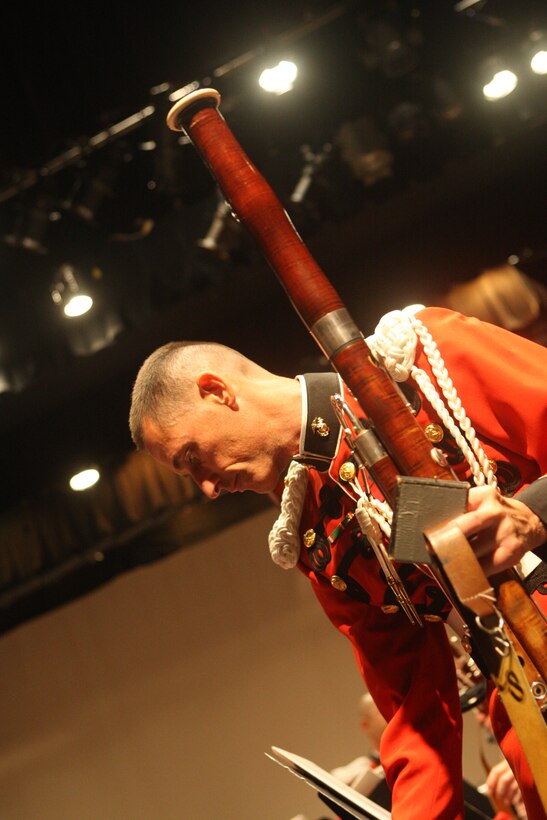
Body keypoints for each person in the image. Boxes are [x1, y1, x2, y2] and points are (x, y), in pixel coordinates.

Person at [129, 305, 547, 819]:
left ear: (217, 390)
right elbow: (415, 708)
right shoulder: (315, 538)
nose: (209, 489)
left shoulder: (418, 361)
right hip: (529, 714)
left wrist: (534, 514)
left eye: (191, 458)